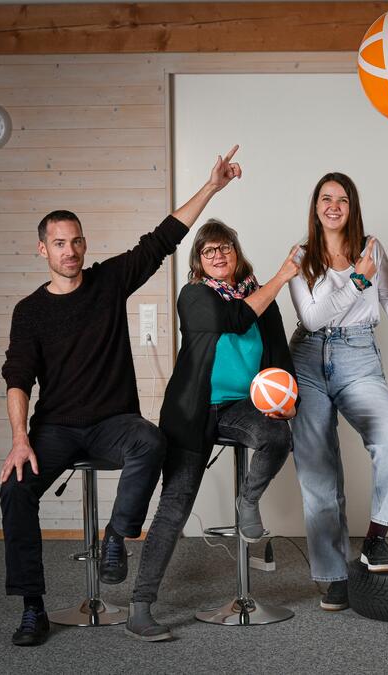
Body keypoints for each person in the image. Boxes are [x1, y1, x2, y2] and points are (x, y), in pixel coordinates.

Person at [0, 146, 244, 646]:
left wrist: (213, 186)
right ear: (43, 250)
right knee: (14, 489)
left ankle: (115, 536)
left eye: (76, 241)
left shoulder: (108, 281)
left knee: (151, 441)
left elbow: (163, 239)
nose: (69, 250)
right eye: (59, 243)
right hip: (56, 429)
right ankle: (32, 607)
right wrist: (20, 438)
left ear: (85, 245)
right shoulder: (29, 311)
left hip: (114, 422)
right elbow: (18, 377)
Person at [126, 219, 301, 641]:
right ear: (199, 262)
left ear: (237, 253)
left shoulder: (263, 298)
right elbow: (236, 319)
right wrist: (281, 276)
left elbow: (278, 356)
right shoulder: (194, 295)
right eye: (209, 251)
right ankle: (140, 607)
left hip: (241, 407)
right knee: (175, 506)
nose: (218, 255)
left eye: (225, 248)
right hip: (192, 411)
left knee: (278, 437)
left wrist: (286, 403)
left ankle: (248, 501)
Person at [288, 172, 388, 611]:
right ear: (315, 207)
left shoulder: (372, 248)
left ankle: (375, 541)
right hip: (308, 359)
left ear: (352, 208)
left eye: (343, 199)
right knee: (319, 473)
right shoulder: (299, 257)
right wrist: (358, 281)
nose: (334, 205)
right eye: (326, 198)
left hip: (358, 356)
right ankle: (333, 576)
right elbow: (311, 319)